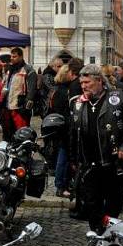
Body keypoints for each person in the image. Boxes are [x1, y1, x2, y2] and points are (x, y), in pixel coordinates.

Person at [70, 64, 123, 234]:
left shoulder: (119, 98)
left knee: (114, 199)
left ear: (99, 80)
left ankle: (107, 232)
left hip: (114, 160)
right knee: (91, 201)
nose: (84, 86)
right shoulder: (78, 103)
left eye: (87, 82)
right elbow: (72, 132)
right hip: (89, 161)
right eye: (82, 83)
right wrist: (74, 158)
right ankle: (98, 231)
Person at [0, 47, 37, 141]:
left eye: (14, 56)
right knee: (8, 134)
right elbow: (5, 84)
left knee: (22, 135)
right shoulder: (10, 69)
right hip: (8, 107)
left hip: (19, 108)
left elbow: (32, 91)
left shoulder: (28, 70)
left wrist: (26, 107)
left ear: (21, 57)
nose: (11, 58)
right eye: (11, 56)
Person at [47, 64, 72, 196]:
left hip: (60, 126)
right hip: (64, 127)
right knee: (63, 155)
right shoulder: (63, 91)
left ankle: (61, 184)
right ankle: (61, 185)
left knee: (63, 154)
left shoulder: (58, 89)